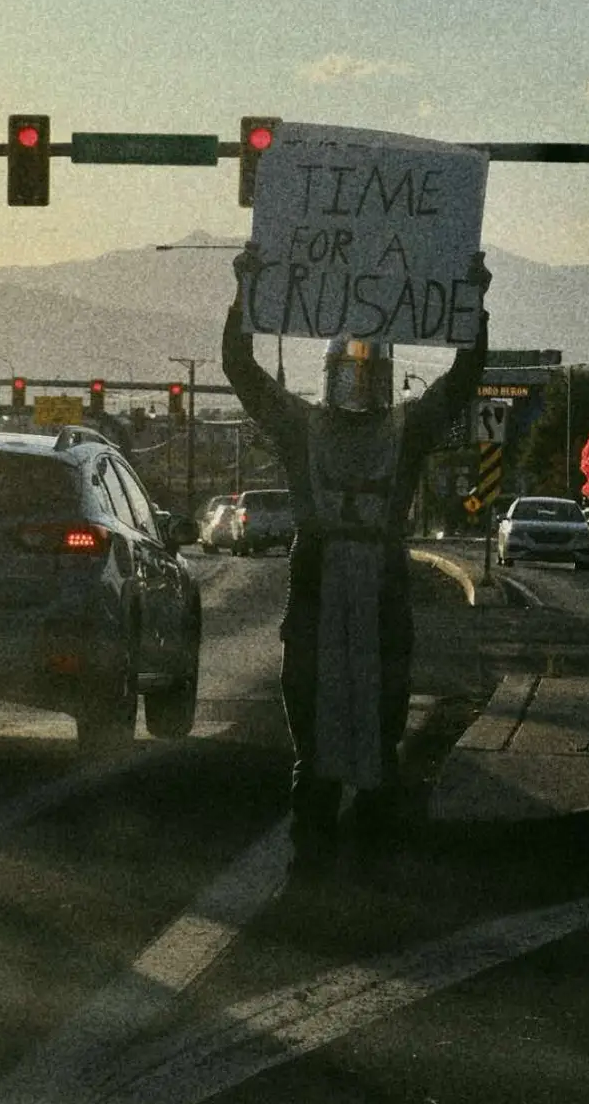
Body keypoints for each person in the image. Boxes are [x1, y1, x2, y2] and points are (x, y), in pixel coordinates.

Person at [220, 244, 490, 871]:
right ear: (330, 370)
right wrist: (246, 291)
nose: (360, 384)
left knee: (383, 707)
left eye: (371, 374)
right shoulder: (301, 425)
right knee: (311, 712)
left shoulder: (406, 428)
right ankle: (314, 831)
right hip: (317, 583)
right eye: (351, 371)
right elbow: (240, 367)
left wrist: (473, 302)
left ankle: (371, 831)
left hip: (381, 587)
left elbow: (464, 377)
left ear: (388, 376)